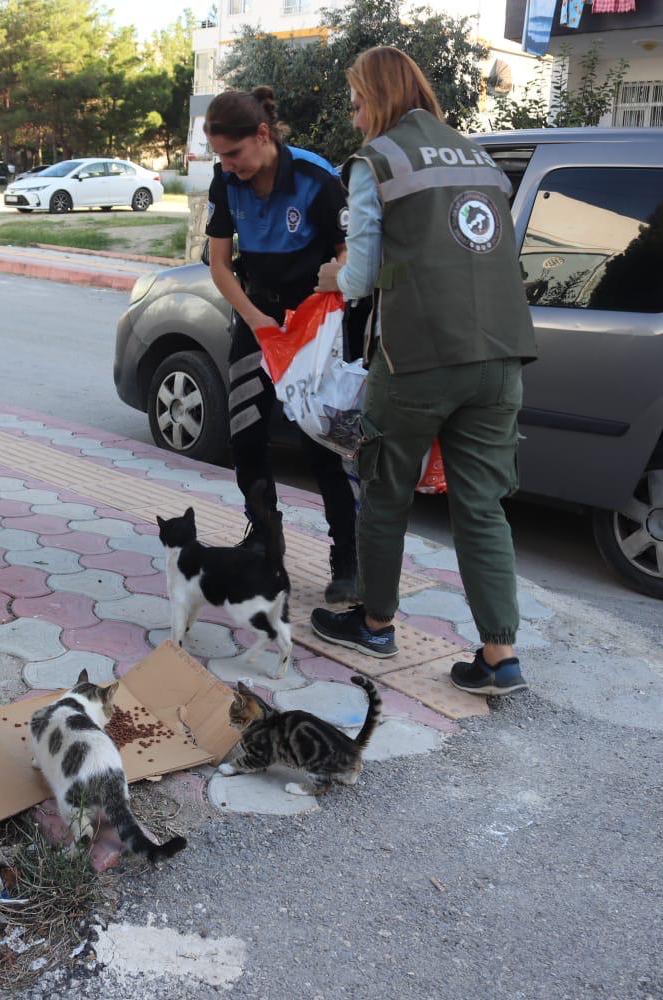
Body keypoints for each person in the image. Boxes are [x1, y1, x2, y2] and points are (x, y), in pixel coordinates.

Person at [309, 47, 538, 696]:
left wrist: (330, 276)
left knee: (384, 492)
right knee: (483, 507)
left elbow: (358, 278)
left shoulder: (377, 160)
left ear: (379, 96)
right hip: (500, 355)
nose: (354, 115)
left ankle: (375, 622)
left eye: (356, 100)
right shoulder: (479, 158)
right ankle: (499, 655)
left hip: (418, 357)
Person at [204, 86, 359, 603]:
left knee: (322, 446)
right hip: (258, 318)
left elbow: (351, 263)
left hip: (315, 328)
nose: (226, 167)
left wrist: (310, 312)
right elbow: (221, 265)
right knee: (245, 436)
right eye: (219, 156)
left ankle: (348, 558)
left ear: (263, 135)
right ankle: (265, 540)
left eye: (233, 154)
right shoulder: (226, 184)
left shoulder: (316, 179)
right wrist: (257, 320)